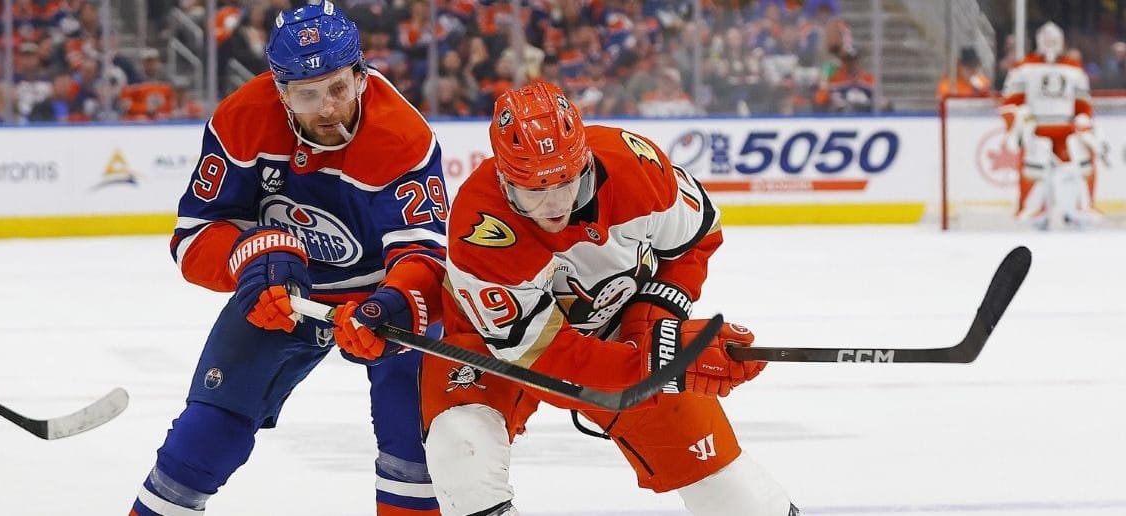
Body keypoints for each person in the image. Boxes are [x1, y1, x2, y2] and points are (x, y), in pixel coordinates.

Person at [406, 82, 797, 515]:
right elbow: (542, 357)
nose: (554, 204)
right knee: (460, 451)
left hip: (615, 327)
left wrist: (653, 323)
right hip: (494, 347)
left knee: (735, 497)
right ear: (502, 177)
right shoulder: (479, 227)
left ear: (586, 159)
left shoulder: (637, 166)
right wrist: (653, 362)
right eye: (533, 191)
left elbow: (697, 238)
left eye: (567, 182)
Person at [128, 1, 447, 514]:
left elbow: (427, 259)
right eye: (307, 94)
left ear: (361, 75)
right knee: (201, 440)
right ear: (281, 92)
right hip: (279, 293)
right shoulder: (242, 120)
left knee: (418, 445)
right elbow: (193, 236)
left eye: (339, 87)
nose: (326, 108)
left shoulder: (402, 137)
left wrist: (392, 305)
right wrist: (253, 257)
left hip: (379, 299)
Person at [1001, 21, 1099, 229]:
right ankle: (1034, 211)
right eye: (1046, 40)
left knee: (1079, 168)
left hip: (1066, 130)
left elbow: (1083, 103)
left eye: (1054, 40)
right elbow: (1011, 101)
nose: (1050, 44)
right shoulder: (1025, 66)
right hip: (1038, 130)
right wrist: (1019, 120)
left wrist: (1083, 123)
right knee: (1034, 170)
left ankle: (1076, 210)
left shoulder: (1073, 67)